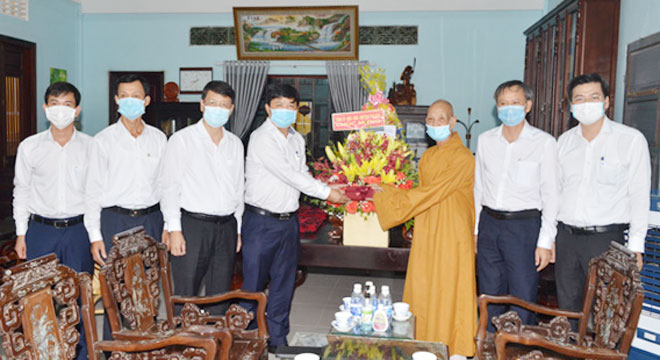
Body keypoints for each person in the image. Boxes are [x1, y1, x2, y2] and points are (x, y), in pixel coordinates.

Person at [242, 83, 349, 351]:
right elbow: (289, 175)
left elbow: (301, 175)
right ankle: (250, 340)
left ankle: (277, 340)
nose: (286, 111)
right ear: (267, 108)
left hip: (288, 222)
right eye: (279, 105)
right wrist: (328, 194)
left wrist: (332, 186)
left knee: (284, 283)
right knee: (253, 287)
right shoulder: (261, 138)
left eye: (291, 106)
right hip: (261, 222)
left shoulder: (297, 139)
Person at [372, 100, 476, 360]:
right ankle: (424, 341)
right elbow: (423, 193)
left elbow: (434, 191)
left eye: (441, 119)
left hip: (452, 227)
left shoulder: (463, 157)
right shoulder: (428, 156)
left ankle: (456, 346)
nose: (435, 124)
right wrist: (388, 189)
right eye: (430, 120)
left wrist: (391, 198)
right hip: (429, 222)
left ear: (453, 122)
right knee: (425, 280)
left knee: (451, 283)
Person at [556, 73, 649, 317]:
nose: (586, 103)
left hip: (607, 241)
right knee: (568, 312)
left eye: (594, 97)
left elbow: (639, 195)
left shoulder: (630, 140)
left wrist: (636, 246)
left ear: (606, 101)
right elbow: (555, 192)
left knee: (607, 314)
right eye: (580, 99)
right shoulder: (563, 143)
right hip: (567, 239)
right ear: (571, 106)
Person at [12, 81, 93, 360]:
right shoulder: (30, 146)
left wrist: (94, 236)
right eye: (55, 104)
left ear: (77, 110)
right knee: (39, 298)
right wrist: (21, 233)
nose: (61, 110)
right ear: (46, 108)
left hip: (77, 231)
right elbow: (21, 190)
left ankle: (80, 354)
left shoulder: (91, 147)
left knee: (77, 298)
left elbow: (95, 195)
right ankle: (42, 353)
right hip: (40, 231)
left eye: (67, 104)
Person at [85, 74, 167, 344]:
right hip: (115, 220)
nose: (130, 100)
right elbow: (93, 190)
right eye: (124, 95)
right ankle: (114, 350)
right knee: (116, 293)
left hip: (151, 221)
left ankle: (145, 346)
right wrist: (95, 234)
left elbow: (166, 185)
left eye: (136, 95)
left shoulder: (159, 139)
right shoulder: (103, 140)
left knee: (148, 290)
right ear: (117, 100)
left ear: (146, 100)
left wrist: (168, 225)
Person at [473, 80, 558, 330]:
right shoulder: (486, 140)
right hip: (489, 224)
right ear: (496, 107)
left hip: (524, 228)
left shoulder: (544, 143)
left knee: (523, 297)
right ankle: (488, 349)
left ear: (528, 105)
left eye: (515, 102)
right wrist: (476, 230)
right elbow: (479, 188)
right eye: (503, 103)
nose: (508, 108)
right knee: (489, 295)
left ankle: (519, 352)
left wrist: (545, 241)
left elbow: (552, 194)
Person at [161, 81, 243, 314]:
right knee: (186, 293)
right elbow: (169, 188)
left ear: (231, 109)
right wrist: (174, 229)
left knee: (220, 294)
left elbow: (238, 190)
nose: (218, 109)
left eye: (224, 105)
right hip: (192, 226)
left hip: (226, 226)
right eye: (213, 103)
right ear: (202, 105)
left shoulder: (235, 144)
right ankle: (182, 346)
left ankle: (215, 345)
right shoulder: (182, 139)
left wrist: (238, 230)